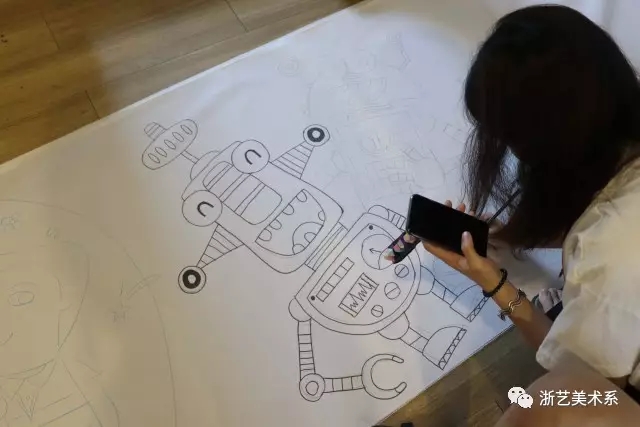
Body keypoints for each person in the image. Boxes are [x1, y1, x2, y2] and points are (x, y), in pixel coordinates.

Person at [423, 4, 640, 398]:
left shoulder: (608, 256)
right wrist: (512, 234)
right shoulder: (620, 127)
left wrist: (495, 284)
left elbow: (590, 392)